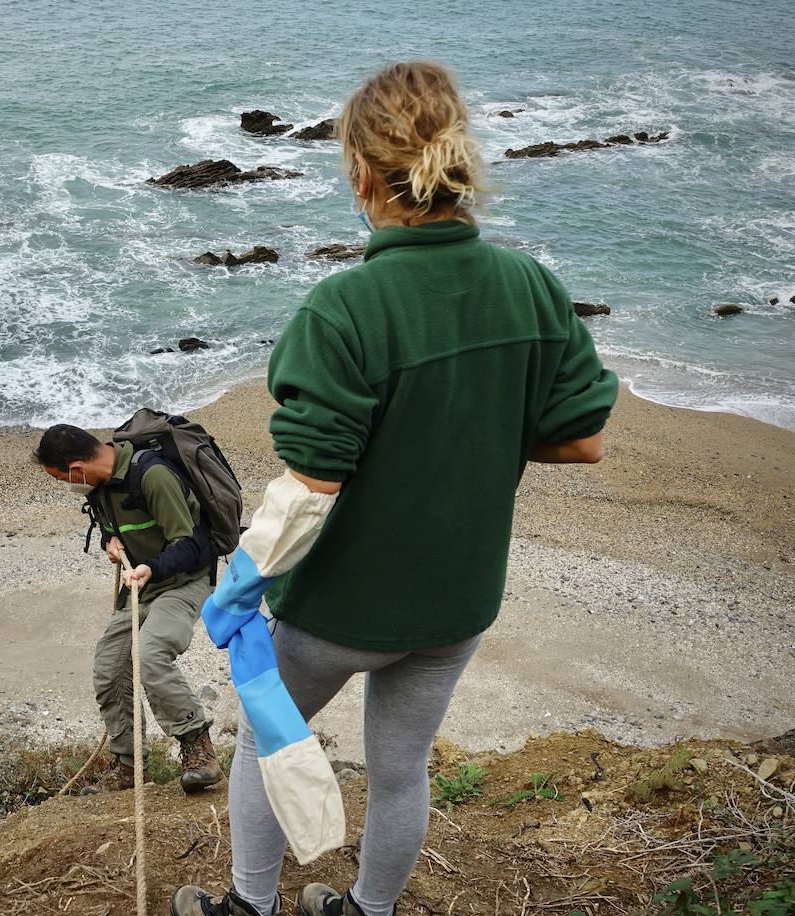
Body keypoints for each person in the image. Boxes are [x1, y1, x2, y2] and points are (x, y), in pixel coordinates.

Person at [171, 61, 619, 916]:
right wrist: (474, 433)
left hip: (341, 610)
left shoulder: (345, 309)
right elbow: (585, 438)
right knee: (402, 767)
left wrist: (241, 583)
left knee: (268, 745)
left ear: (363, 175)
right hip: (456, 603)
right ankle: (367, 910)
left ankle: (250, 905)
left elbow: (311, 485)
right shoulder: (530, 284)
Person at [34, 423, 224, 795]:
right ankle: (128, 769)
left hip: (183, 582)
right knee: (110, 665)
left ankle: (199, 750)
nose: (66, 486)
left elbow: (187, 545)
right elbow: (113, 527)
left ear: (76, 468)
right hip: (142, 585)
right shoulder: (102, 486)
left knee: (150, 653)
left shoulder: (152, 476)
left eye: (62, 479)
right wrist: (110, 541)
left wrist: (150, 567)